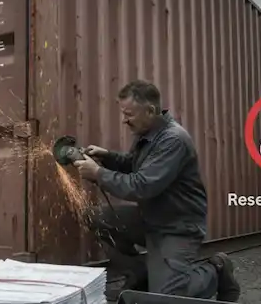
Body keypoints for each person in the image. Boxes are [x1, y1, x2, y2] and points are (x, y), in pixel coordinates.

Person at [73, 80, 241, 302]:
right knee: (94, 216)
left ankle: (216, 270)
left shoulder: (173, 140)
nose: (125, 120)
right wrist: (107, 156)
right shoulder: (147, 133)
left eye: (129, 114)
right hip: (150, 219)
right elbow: (135, 163)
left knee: (169, 297)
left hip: (177, 227)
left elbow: (142, 186)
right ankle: (139, 274)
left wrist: (98, 174)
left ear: (150, 110)